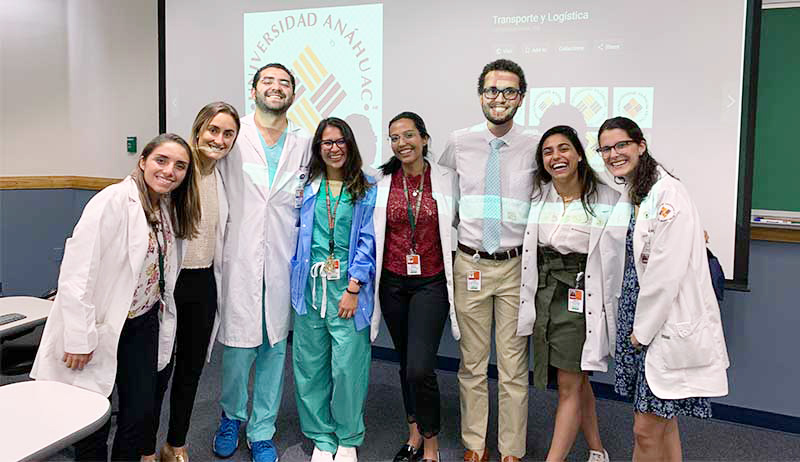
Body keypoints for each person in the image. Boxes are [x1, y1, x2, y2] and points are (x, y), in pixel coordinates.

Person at [30, 133, 201, 461]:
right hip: (101, 324)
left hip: (143, 322)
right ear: (143, 161)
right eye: (161, 161)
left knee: (139, 413)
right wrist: (79, 337)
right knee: (91, 416)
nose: (170, 171)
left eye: (180, 166)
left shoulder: (165, 208)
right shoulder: (112, 201)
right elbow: (77, 272)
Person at [597, 116, 729, 461]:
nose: (613, 154)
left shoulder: (668, 193)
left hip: (658, 324)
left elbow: (664, 274)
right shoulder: (635, 191)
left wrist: (641, 332)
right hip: (639, 318)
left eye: (621, 144)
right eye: (606, 149)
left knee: (645, 429)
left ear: (640, 145)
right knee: (662, 423)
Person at [438, 59, 538, 462]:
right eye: (492, 90)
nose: (499, 98)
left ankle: (511, 448)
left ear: (521, 97)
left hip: (515, 266)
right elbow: (444, 196)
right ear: (480, 94)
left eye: (509, 91)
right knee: (472, 363)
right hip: (471, 264)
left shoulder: (535, 144)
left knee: (514, 366)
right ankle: (474, 443)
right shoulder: (460, 142)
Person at [212, 63, 312, 462]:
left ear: (294, 94)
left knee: (274, 349)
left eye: (284, 83)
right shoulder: (234, 137)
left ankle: (262, 430)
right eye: (268, 81)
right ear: (253, 90)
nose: (276, 87)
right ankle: (231, 416)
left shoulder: (304, 143)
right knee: (237, 349)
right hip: (238, 256)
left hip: (282, 258)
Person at [518, 125, 630, 462]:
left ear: (579, 154)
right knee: (577, 379)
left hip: (581, 297)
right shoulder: (540, 196)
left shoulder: (608, 199)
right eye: (548, 151)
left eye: (564, 149)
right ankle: (597, 449)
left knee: (569, 385)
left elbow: (627, 248)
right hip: (546, 294)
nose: (556, 157)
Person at [149, 102, 240, 462]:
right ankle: (144, 448)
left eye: (228, 134)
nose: (219, 139)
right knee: (156, 370)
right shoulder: (178, 170)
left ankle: (176, 443)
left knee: (190, 370)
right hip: (168, 283)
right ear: (199, 129)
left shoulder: (221, 176)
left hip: (203, 285)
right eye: (213, 130)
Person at [372, 112, 460, 462]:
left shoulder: (446, 179)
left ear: (424, 138)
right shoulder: (381, 180)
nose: (402, 143)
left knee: (420, 367)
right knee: (405, 360)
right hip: (392, 283)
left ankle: (431, 441)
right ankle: (413, 432)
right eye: (394, 137)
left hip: (430, 283)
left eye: (409, 135)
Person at [289, 117, 376, 462]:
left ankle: (348, 437)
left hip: (348, 288)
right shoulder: (307, 185)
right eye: (327, 143)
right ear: (318, 148)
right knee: (309, 365)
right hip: (309, 288)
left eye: (340, 142)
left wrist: (354, 286)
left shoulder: (366, 187)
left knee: (347, 367)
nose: (334, 148)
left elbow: (368, 239)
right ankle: (321, 437)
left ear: (350, 145)